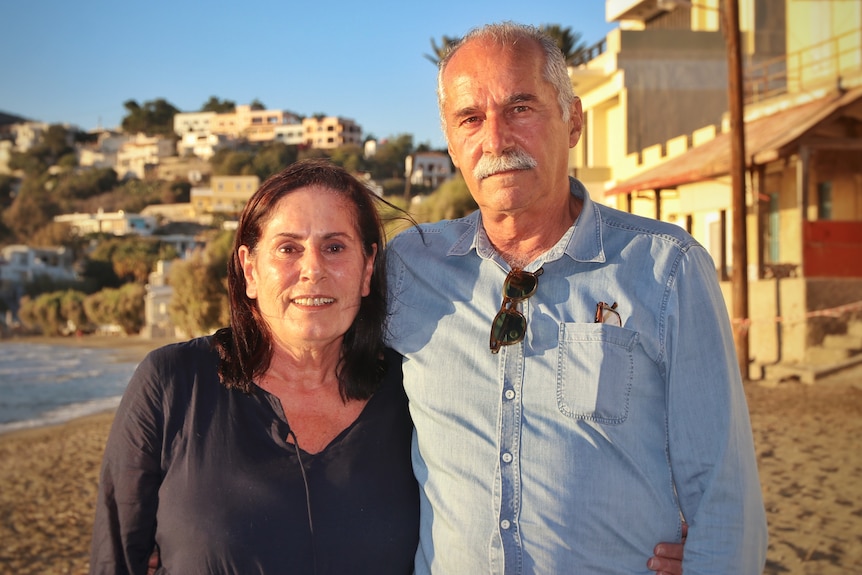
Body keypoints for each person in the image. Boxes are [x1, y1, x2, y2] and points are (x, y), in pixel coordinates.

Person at [385, 22, 768, 574]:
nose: (495, 140)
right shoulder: (410, 268)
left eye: (520, 108)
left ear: (574, 121)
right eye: (471, 119)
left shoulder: (666, 270)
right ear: (450, 143)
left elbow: (724, 497)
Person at [90, 159, 419, 574]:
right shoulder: (173, 384)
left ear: (367, 269)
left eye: (335, 247)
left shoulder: (413, 396)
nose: (313, 269)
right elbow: (115, 560)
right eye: (288, 248)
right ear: (250, 269)